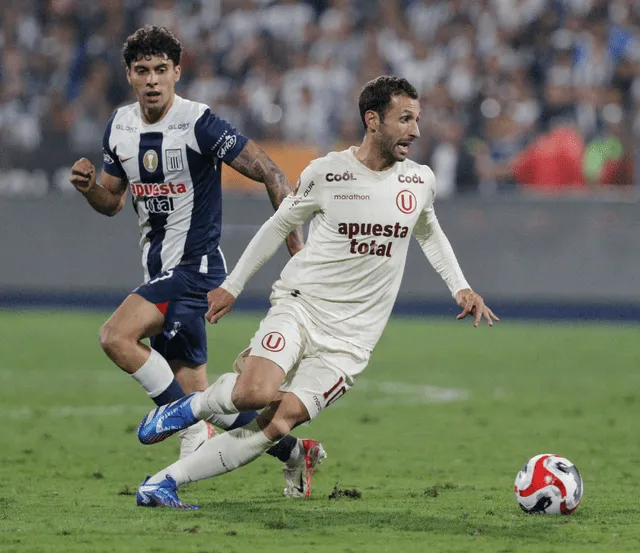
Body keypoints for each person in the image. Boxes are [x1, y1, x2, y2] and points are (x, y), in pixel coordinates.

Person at [134, 75, 499, 509]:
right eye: (405, 119)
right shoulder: (327, 172)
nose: (415, 131)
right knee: (254, 392)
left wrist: (461, 287)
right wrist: (232, 286)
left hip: (350, 342)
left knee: (277, 422)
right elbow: (279, 225)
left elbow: (430, 231)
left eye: (417, 120)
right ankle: (190, 408)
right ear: (373, 120)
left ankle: (164, 482)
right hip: (301, 306)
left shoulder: (419, 182)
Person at [68, 25, 324, 498]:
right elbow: (112, 202)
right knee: (206, 400)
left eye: (161, 70)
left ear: (176, 72)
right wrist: (90, 190)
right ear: (129, 75)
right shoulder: (120, 127)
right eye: (142, 70)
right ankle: (294, 451)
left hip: (195, 269)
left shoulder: (198, 123)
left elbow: (269, 170)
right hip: (158, 269)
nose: (151, 80)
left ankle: (184, 428)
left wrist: (299, 256)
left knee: (115, 336)